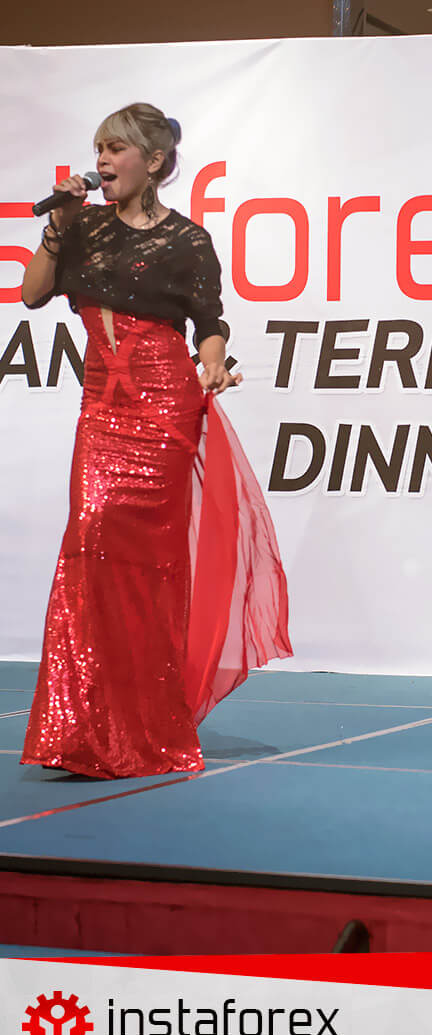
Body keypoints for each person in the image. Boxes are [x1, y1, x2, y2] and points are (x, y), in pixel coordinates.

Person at [20, 102, 292, 779]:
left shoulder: (187, 240)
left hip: (165, 404)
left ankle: (148, 725)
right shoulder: (81, 225)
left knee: (151, 567)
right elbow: (31, 295)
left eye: (116, 149)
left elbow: (209, 320)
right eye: (99, 148)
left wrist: (213, 362)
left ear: (155, 161)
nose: (103, 160)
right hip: (101, 406)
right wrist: (57, 226)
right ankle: (86, 729)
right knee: (90, 542)